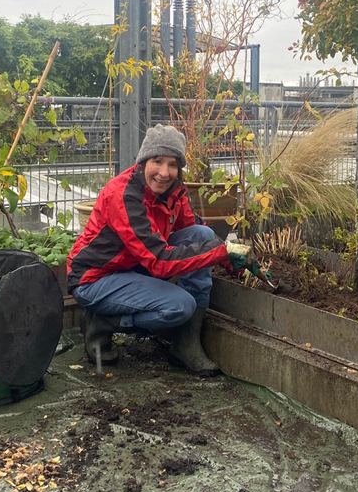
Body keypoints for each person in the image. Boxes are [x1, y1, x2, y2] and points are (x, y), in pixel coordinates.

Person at [66, 124, 256, 376]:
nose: (164, 173)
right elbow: (158, 260)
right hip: (96, 278)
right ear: (143, 162)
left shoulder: (174, 190)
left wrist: (234, 262)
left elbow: (193, 232)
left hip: (134, 268)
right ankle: (102, 321)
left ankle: (186, 345)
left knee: (203, 234)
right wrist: (221, 251)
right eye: (157, 161)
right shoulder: (123, 196)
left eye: (173, 164)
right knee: (179, 306)